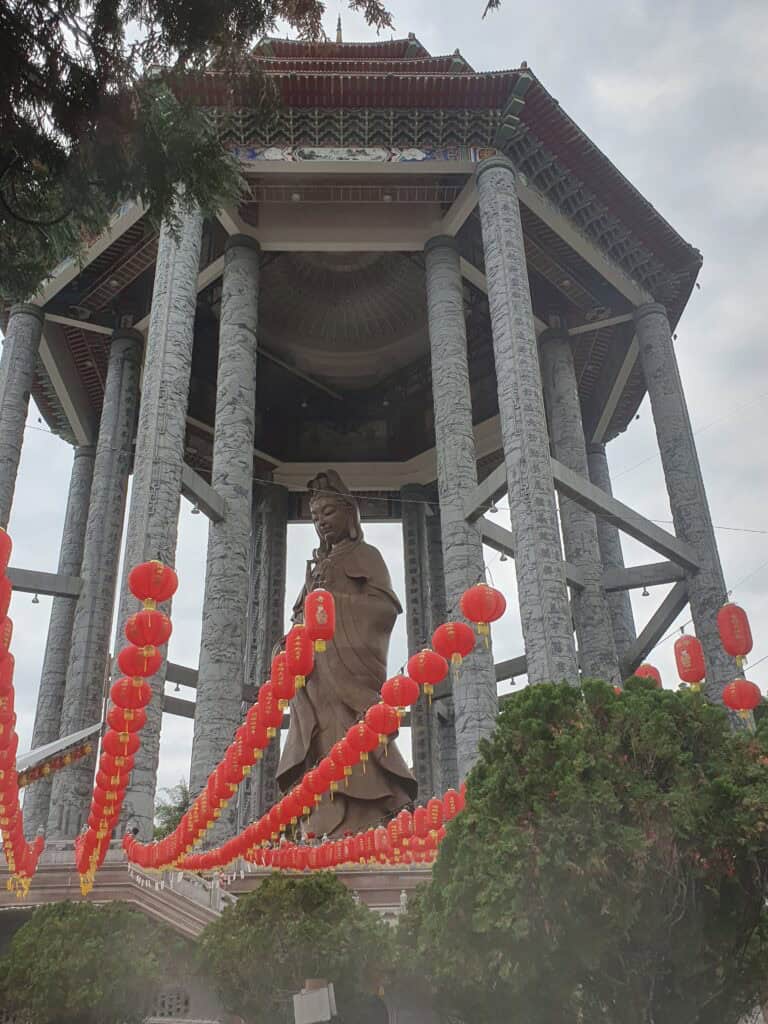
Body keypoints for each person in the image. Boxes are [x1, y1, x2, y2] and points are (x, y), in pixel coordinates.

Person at [276, 470, 417, 836]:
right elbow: (300, 616)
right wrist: (290, 642)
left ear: (349, 514)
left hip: (351, 672)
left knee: (356, 739)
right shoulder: (318, 566)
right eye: (315, 516)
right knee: (319, 740)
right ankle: (318, 830)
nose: (321, 522)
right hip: (318, 678)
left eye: (328, 513)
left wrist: (331, 605)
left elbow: (384, 610)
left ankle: (366, 825)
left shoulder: (366, 556)